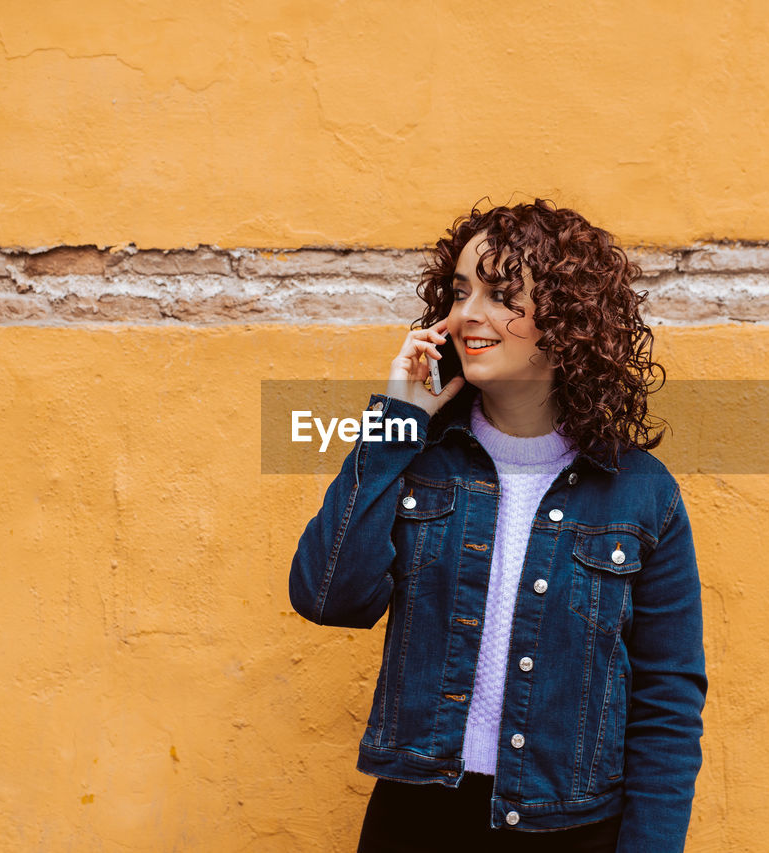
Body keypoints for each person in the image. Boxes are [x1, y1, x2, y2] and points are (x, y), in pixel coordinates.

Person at [289, 198, 707, 852]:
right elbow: (328, 596)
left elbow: (667, 708)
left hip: (571, 830)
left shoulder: (642, 494)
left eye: (501, 293)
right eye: (460, 292)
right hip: (418, 822)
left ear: (568, 319)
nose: (467, 316)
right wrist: (397, 423)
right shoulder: (419, 459)